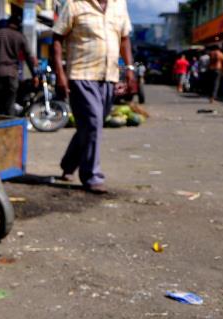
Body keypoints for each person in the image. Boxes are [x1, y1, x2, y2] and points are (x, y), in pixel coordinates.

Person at [52, 0, 135, 194]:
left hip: (108, 76)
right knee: (93, 122)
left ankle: (68, 163)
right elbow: (57, 38)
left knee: (90, 126)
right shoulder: (74, 5)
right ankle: (91, 176)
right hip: (81, 74)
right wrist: (60, 73)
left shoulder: (119, 4)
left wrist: (129, 70)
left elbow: (124, 39)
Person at [0, 17, 36, 116]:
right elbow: (28, 56)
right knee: (10, 104)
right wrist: (34, 74)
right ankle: (9, 127)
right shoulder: (20, 36)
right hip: (12, 74)